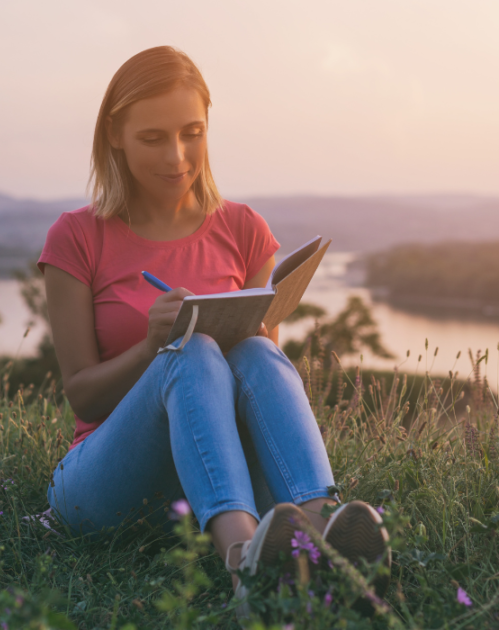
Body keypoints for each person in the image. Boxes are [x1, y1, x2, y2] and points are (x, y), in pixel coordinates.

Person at [38, 46, 389, 613]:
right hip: (106, 482)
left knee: (253, 348)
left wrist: (258, 326)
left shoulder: (244, 229)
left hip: (212, 476)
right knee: (189, 351)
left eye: (192, 133)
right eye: (153, 138)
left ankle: (322, 530)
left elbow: (257, 390)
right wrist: (153, 349)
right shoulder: (77, 238)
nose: (177, 156)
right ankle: (244, 563)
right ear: (115, 136)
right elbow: (82, 393)